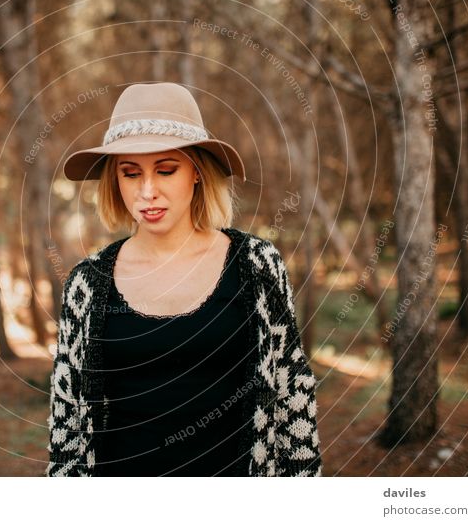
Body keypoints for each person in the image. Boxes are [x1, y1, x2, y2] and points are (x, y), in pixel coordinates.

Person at [46, 82, 321, 477]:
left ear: (196, 172)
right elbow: (67, 423)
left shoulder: (258, 265)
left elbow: (292, 393)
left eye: (166, 169)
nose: (147, 191)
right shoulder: (85, 284)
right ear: (114, 180)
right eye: (130, 173)